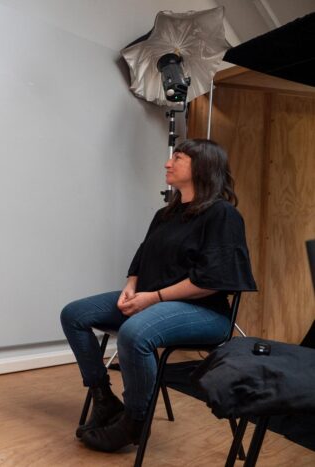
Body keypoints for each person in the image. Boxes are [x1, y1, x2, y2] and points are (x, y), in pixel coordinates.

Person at [60, 139, 256, 452]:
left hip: (205, 312)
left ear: (202, 166)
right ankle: (103, 398)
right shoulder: (166, 214)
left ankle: (135, 422)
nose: (167, 163)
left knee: (135, 332)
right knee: (74, 314)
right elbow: (142, 257)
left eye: (177, 158)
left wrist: (153, 298)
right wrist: (132, 285)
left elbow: (211, 281)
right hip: (152, 300)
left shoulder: (222, 215)